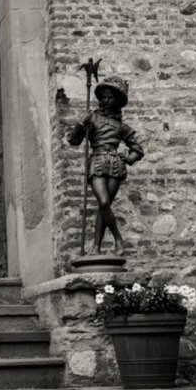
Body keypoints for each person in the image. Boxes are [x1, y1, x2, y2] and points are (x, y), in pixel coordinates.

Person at [67, 75, 144, 256]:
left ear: (116, 101)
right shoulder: (91, 118)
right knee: (103, 202)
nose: (106, 100)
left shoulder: (121, 125)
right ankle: (118, 238)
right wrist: (80, 123)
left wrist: (129, 158)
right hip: (98, 161)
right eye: (104, 97)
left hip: (115, 164)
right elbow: (73, 140)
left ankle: (96, 247)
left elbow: (137, 149)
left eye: (110, 97)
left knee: (105, 206)